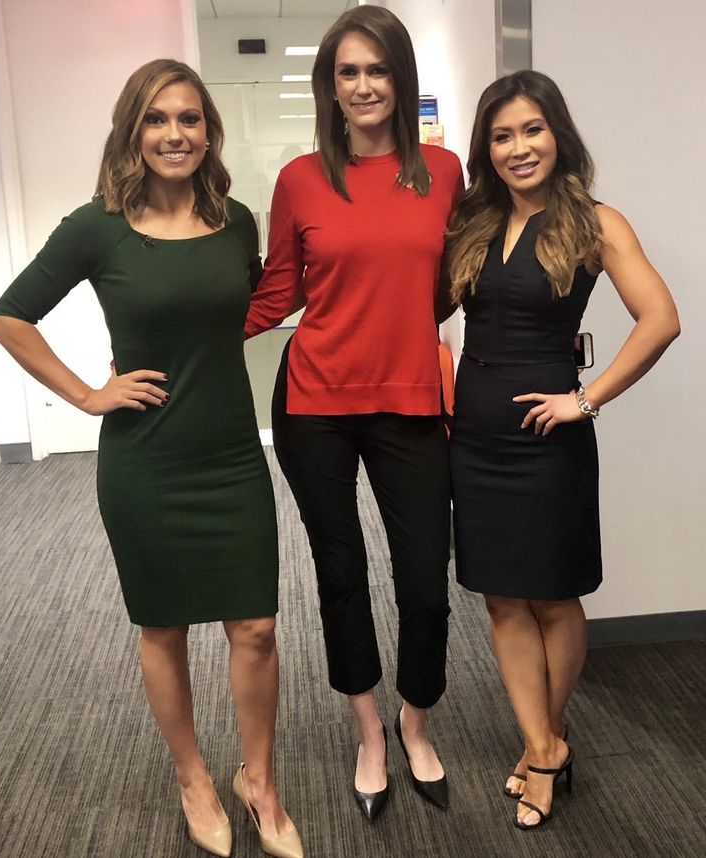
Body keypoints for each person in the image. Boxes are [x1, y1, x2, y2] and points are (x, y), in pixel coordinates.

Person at [0, 59, 302, 858]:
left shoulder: (235, 221)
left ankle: (257, 780)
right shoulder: (98, 225)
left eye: (190, 119)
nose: (175, 134)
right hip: (146, 462)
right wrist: (89, 394)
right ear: (133, 131)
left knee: (257, 627)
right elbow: (10, 317)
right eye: (158, 119)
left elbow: (257, 306)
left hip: (231, 452)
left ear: (209, 131)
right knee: (162, 627)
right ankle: (193, 775)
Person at [444, 70, 679, 830]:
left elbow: (660, 319)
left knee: (552, 595)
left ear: (558, 134)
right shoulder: (474, 221)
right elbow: (417, 304)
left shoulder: (595, 221)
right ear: (487, 147)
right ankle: (543, 741)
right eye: (503, 135)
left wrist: (586, 398)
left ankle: (545, 751)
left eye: (532, 130)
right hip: (475, 435)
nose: (518, 148)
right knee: (501, 595)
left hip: (547, 442)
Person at [245, 6, 463, 821]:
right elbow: (277, 291)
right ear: (329, 86)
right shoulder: (302, 179)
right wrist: (180, 335)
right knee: (341, 576)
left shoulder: (442, 172)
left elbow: (450, 282)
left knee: (426, 587)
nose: (364, 85)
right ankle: (368, 730)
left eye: (378, 70)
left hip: (409, 400)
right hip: (314, 405)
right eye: (348, 72)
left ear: (400, 80)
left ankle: (416, 720)